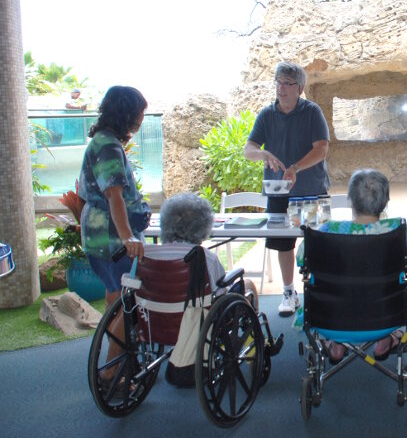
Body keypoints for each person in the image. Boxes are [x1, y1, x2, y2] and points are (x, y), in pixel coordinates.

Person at [295, 168, 407, 363]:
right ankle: (385, 339)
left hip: (330, 318)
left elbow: (301, 259)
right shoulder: (399, 231)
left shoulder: (328, 231)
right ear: (386, 201)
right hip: (386, 317)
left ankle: (336, 343)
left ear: (351, 200)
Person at [244, 61, 330, 317]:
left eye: (288, 83)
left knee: (317, 242)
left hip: (311, 189)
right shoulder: (266, 115)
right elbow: (248, 150)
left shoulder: (312, 112)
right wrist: (264, 154)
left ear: (300, 88)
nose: (281, 88)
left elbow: (321, 149)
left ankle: (319, 292)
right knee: (283, 245)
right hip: (278, 192)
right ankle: (289, 292)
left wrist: (294, 167)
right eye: (278, 82)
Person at [78, 85, 150, 387]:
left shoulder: (100, 141)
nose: (142, 120)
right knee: (126, 302)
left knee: (114, 299)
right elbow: (114, 195)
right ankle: (111, 370)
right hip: (112, 239)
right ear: (128, 114)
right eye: (140, 114)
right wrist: (127, 238)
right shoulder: (108, 146)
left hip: (98, 234)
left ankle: (120, 361)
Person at [157, 192, 259, 387]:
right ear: (203, 226)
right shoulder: (205, 258)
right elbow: (220, 290)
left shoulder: (153, 255)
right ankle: (252, 351)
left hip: (158, 322)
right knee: (247, 288)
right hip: (198, 322)